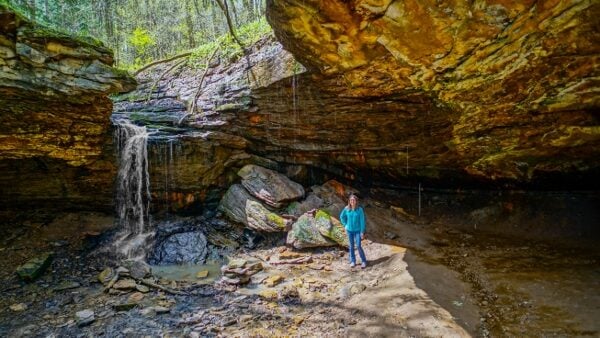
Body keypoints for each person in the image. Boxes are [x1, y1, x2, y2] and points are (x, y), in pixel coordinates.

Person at [339, 194, 367, 268]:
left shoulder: (359, 209)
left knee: (358, 245)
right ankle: (353, 261)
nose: (352, 201)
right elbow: (342, 217)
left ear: (356, 201)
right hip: (349, 231)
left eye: (353, 200)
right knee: (351, 246)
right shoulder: (346, 209)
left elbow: (362, 221)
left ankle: (363, 261)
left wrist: (362, 232)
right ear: (349, 201)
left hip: (358, 231)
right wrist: (345, 225)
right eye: (351, 200)